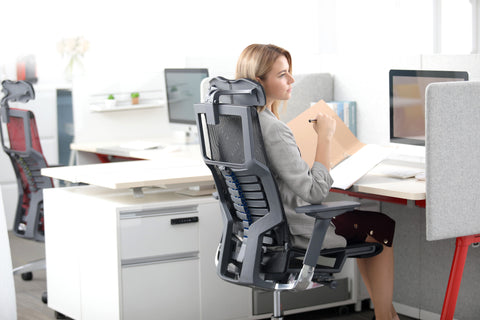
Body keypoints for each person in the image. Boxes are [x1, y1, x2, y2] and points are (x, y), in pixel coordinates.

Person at [235, 44, 399, 320]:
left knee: (369, 229)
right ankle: (387, 317)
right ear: (258, 82)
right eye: (282, 75)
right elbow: (315, 192)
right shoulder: (273, 128)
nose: (292, 80)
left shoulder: (238, 122)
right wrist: (325, 136)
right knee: (380, 225)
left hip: (264, 228)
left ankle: (388, 315)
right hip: (294, 227)